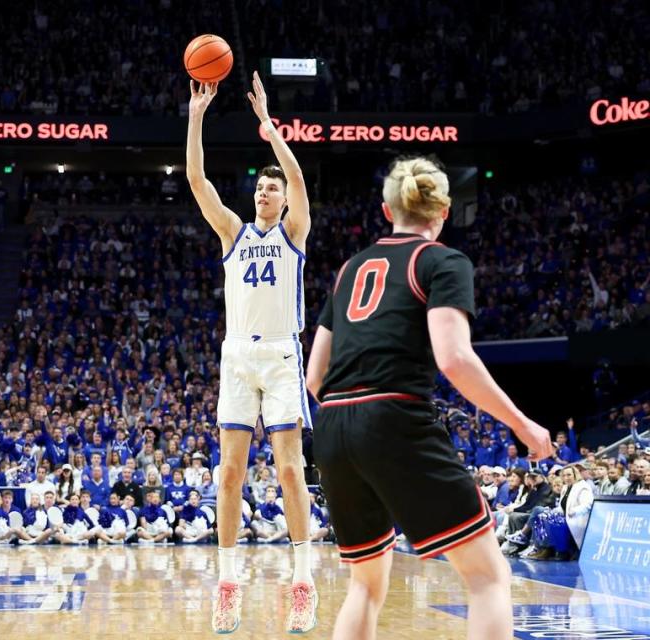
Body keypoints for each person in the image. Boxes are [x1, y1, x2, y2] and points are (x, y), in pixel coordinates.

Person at [306, 156, 555, 640]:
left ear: (386, 210)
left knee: (366, 585)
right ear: (443, 212)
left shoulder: (349, 269)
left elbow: (315, 375)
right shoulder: (441, 260)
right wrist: (522, 424)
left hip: (333, 424)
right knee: (488, 578)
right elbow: (454, 358)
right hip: (392, 417)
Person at [187, 71, 316, 633]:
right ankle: (228, 586)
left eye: (272, 188)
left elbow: (296, 173)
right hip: (237, 358)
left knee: (290, 472)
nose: (265, 192)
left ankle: (303, 583)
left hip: (283, 357)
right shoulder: (233, 234)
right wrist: (196, 116)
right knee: (229, 476)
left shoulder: (294, 232)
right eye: (260, 188)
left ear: (283, 198)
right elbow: (196, 179)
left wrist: (269, 128)